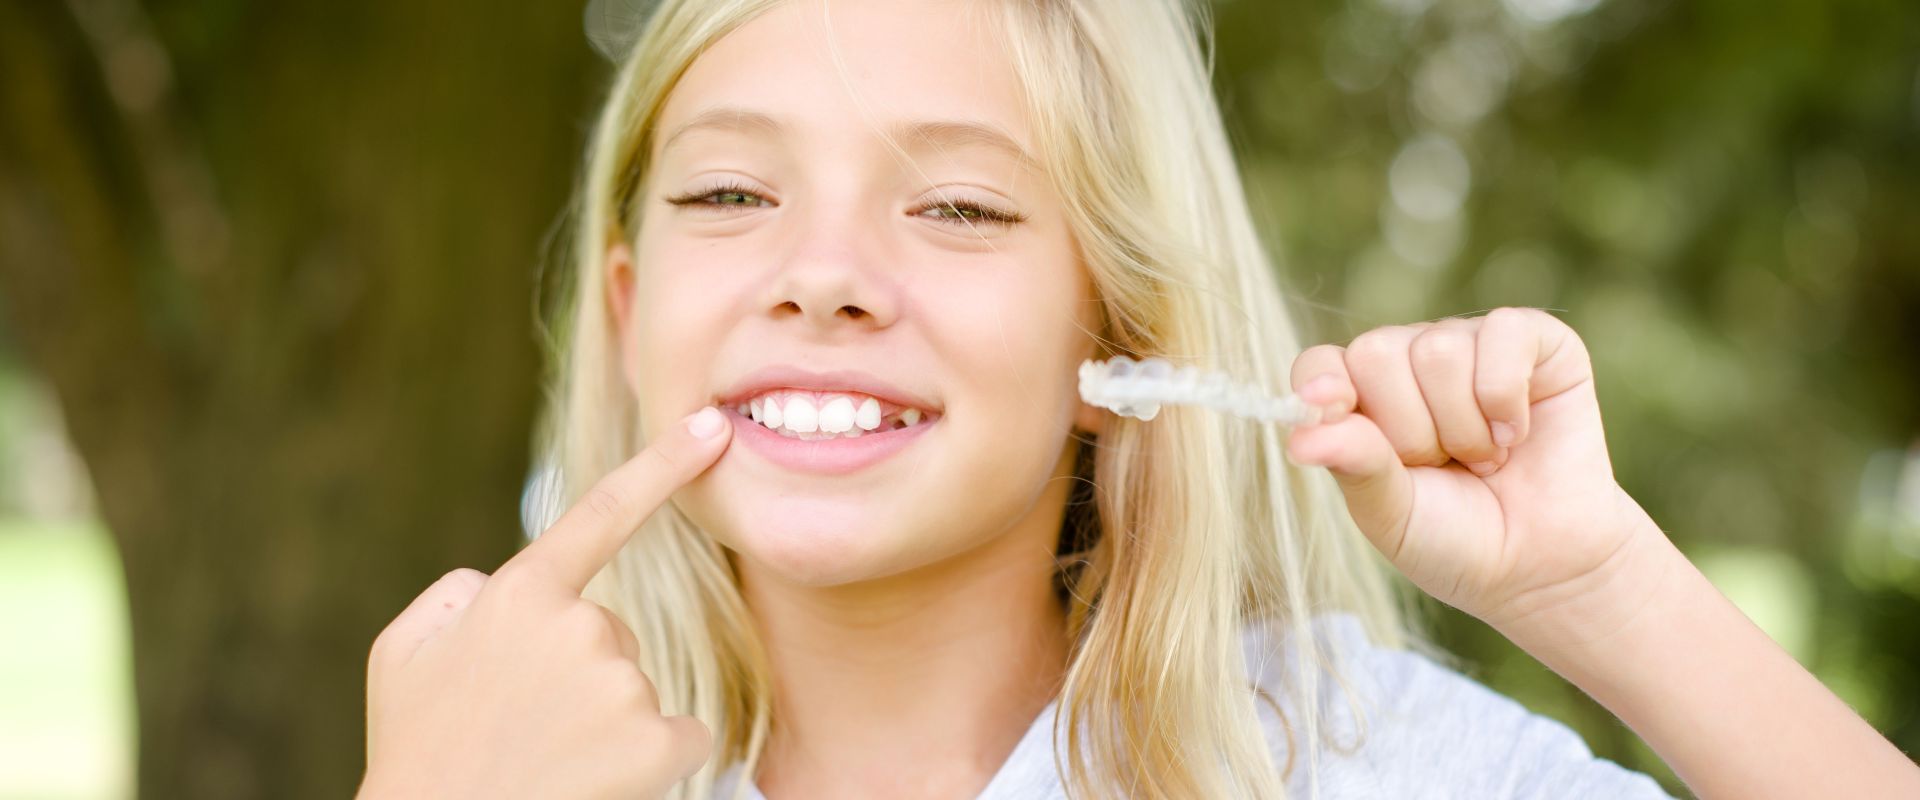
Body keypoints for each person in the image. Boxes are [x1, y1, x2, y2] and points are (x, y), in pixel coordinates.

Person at [356, 0, 1920, 798]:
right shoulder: (506, 774)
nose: (820, 275)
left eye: (958, 207)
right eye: (729, 194)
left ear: (1118, 343)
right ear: (631, 313)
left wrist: (1600, 588)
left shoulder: (1346, 762)